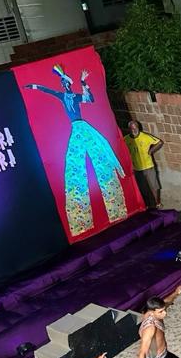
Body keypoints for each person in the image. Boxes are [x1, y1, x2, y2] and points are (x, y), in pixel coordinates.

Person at [24, 65, 127, 236]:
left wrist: (83, 82)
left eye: (66, 82)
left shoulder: (76, 96)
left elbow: (90, 99)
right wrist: (34, 86)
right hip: (76, 130)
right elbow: (47, 90)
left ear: (69, 84)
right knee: (74, 169)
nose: (64, 85)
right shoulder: (62, 96)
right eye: (62, 83)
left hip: (83, 128)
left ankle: (116, 209)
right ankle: (80, 220)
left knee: (101, 163)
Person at [123, 120, 164, 210]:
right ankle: (147, 204)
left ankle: (157, 203)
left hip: (148, 166)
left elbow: (160, 142)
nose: (134, 130)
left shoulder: (145, 137)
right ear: (129, 129)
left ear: (139, 128)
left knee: (154, 186)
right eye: (132, 128)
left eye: (136, 128)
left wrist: (150, 151)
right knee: (143, 188)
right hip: (137, 168)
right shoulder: (126, 139)